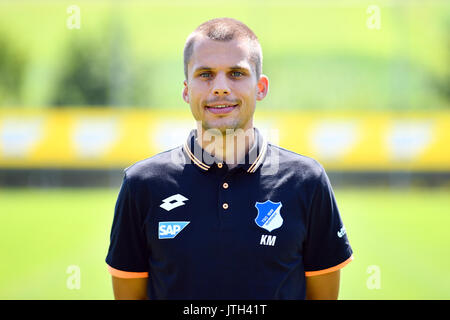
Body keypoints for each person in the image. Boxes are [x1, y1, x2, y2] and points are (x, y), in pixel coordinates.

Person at [105, 17, 353, 300]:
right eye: (205, 74)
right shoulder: (142, 185)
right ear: (186, 89)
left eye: (236, 73)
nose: (220, 87)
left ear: (260, 87)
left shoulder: (307, 181)